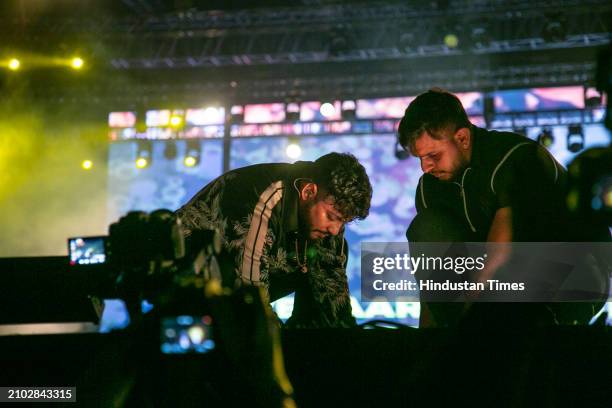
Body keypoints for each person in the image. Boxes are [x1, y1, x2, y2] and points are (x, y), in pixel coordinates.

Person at [398, 88, 609, 327]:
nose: (425, 167)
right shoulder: (429, 189)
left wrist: (473, 319)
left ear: (463, 138)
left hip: (576, 275)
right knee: (427, 228)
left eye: (433, 155)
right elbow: (432, 282)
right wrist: (426, 343)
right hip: (498, 296)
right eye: (420, 158)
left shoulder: (515, 156)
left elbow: (503, 248)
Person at [176, 152, 372, 328]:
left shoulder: (326, 216)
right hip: (189, 286)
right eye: (332, 217)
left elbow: (333, 298)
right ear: (308, 192)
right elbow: (251, 299)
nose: (335, 229)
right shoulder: (260, 197)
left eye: (344, 221)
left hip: (237, 289)